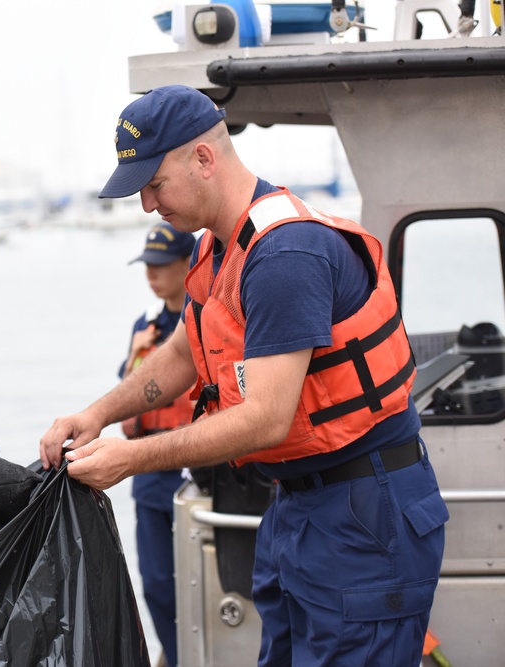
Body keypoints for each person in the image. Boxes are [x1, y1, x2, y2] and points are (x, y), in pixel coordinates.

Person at [40, 86, 447, 666]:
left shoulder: (286, 257)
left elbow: (266, 418)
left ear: (203, 159)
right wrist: (97, 414)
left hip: (364, 511)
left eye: (154, 184)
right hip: (297, 510)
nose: (148, 206)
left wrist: (130, 459)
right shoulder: (219, 249)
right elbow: (183, 353)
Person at [119, 222, 195, 667]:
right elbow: (127, 405)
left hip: (197, 470)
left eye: (163, 266)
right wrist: (134, 354)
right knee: (155, 583)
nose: (153, 274)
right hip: (150, 474)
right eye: (148, 265)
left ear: (189, 264)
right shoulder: (143, 327)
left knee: (202, 578)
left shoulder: (204, 320)